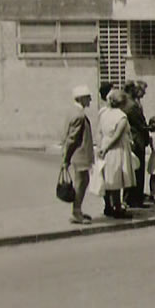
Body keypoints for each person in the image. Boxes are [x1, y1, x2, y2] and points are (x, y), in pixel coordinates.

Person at [98, 89, 136, 219]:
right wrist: (107, 148)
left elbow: (99, 132)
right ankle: (117, 207)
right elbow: (117, 136)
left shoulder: (103, 113)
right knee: (117, 177)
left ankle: (107, 206)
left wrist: (101, 147)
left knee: (107, 177)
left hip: (104, 144)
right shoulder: (121, 116)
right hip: (117, 148)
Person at [62, 85, 95, 225]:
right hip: (79, 154)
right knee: (81, 182)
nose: (90, 100)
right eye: (88, 97)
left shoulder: (74, 112)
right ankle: (76, 212)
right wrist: (66, 159)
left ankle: (78, 210)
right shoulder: (79, 115)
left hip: (79, 154)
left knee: (83, 181)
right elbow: (72, 139)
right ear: (81, 98)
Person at [122, 80, 150, 208]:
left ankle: (134, 198)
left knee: (134, 169)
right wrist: (149, 128)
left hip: (135, 139)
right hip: (136, 140)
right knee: (137, 170)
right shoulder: (132, 105)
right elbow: (140, 124)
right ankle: (135, 199)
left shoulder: (128, 103)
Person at [98, 82, 116, 217]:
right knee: (108, 177)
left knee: (113, 177)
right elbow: (99, 131)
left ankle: (113, 204)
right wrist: (100, 147)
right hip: (108, 146)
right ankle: (108, 205)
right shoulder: (103, 112)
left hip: (108, 145)